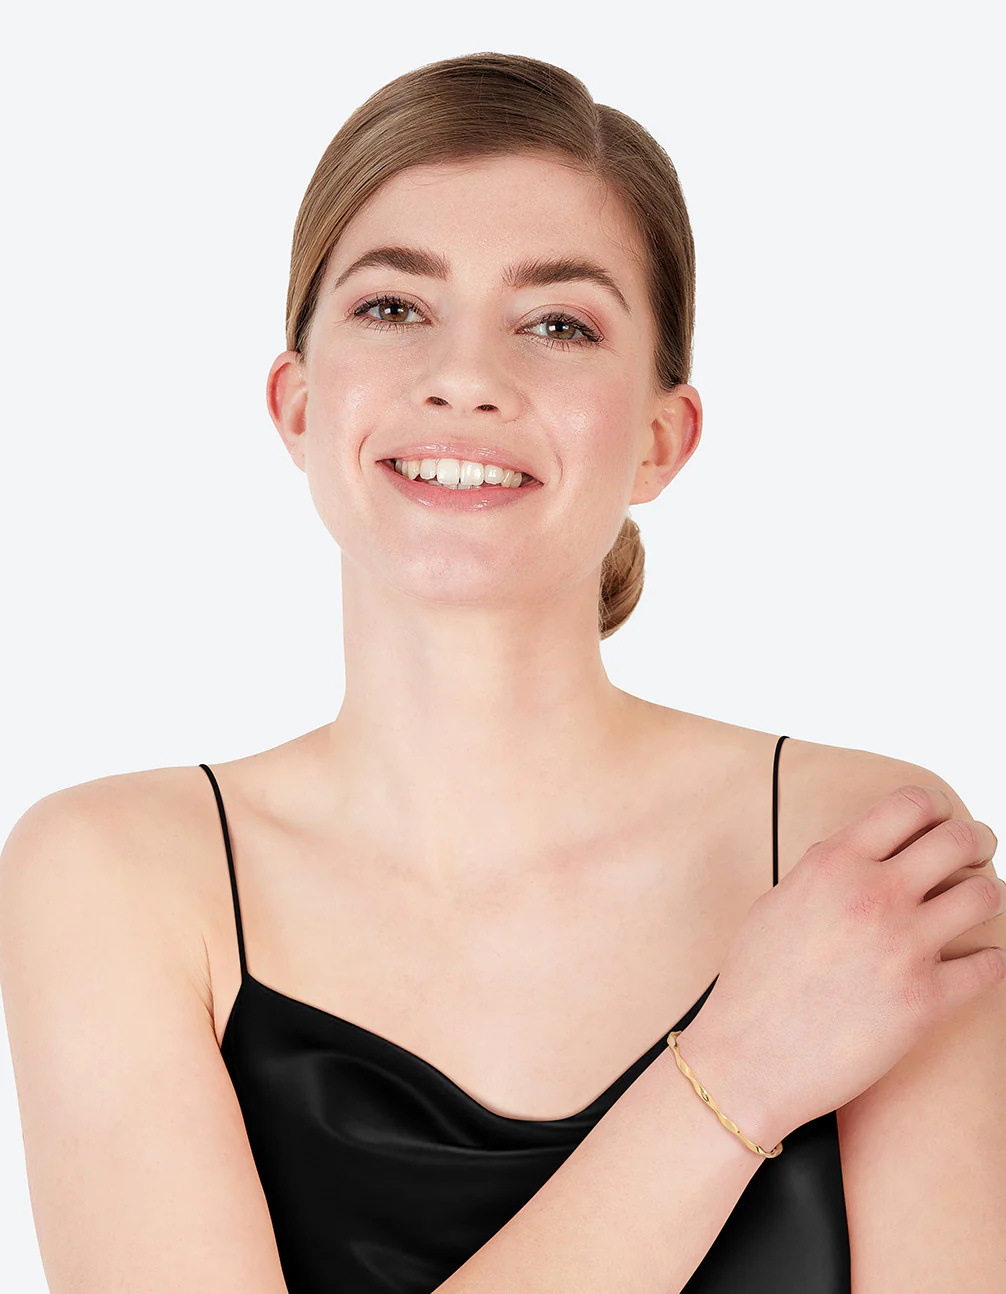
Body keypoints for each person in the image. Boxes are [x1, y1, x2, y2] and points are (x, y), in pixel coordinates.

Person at [1, 50, 1002, 1294]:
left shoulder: (869, 856)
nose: (466, 377)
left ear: (661, 438)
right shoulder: (114, 873)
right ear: (297, 404)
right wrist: (734, 1073)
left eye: (558, 324)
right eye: (393, 307)